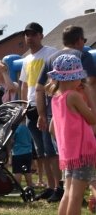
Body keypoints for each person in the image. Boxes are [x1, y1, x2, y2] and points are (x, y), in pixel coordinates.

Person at [35, 24, 96, 203]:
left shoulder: (51, 57)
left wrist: (41, 114)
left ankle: (60, 188)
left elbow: (39, 88)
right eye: (84, 41)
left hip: (57, 117)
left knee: (62, 160)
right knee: (86, 162)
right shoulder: (82, 55)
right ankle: (91, 191)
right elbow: (91, 82)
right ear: (79, 41)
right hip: (81, 117)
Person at [46, 54, 96, 215]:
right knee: (76, 196)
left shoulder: (56, 98)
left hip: (68, 153)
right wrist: (90, 95)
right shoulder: (74, 96)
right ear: (73, 78)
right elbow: (92, 117)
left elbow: (51, 128)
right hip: (83, 151)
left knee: (68, 194)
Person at [18, 22, 59, 202]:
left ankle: (59, 187)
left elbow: (57, 77)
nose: (29, 37)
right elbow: (24, 85)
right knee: (41, 152)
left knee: (51, 149)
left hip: (48, 104)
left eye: (33, 34)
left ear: (41, 35)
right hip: (31, 107)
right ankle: (50, 187)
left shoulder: (51, 52)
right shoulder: (26, 59)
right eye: (27, 34)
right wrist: (23, 106)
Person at [12, 121, 34, 189]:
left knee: (17, 171)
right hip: (28, 152)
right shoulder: (28, 127)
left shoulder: (16, 128)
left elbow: (12, 140)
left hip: (17, 153)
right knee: (27, 171)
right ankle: (30, 185)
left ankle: (17, 186)